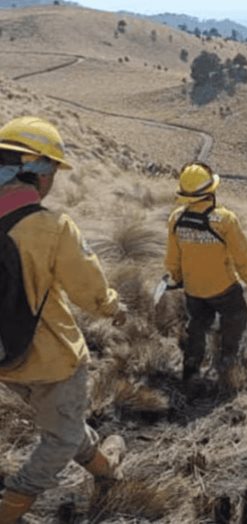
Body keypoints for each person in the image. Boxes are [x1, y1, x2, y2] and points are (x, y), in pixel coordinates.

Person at [0, 116, 127, 524]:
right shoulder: (53, 228)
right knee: (61, 437)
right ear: (33, 170)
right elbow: (91, 292)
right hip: (54, 358)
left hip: (5, 360)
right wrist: (114, 308)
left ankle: (106, 470)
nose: (54, 178)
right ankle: (12, 505)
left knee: (63, 420)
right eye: (52, 169)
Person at [165, 162, 247, 395]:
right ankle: (227, 359)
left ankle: (191, 368)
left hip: (193, 290)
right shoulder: (225, 220)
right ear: (210, 191)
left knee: (197, 324)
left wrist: (176, 277)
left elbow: (172, 259)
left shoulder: (176, 219)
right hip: (224, 288)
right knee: (237, 316)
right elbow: (242, 258)